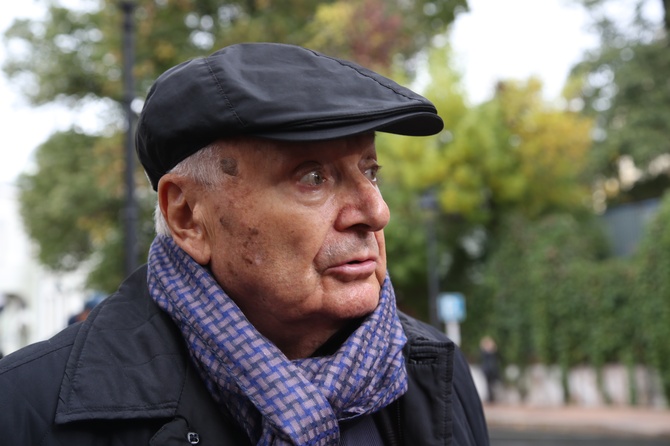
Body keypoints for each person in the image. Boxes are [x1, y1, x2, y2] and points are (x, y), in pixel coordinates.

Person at [0, 43, 489, 445]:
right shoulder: (24, 408)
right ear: (187, 216)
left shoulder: (435, 371)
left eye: (370, 171)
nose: (376, 212)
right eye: (313, 177)